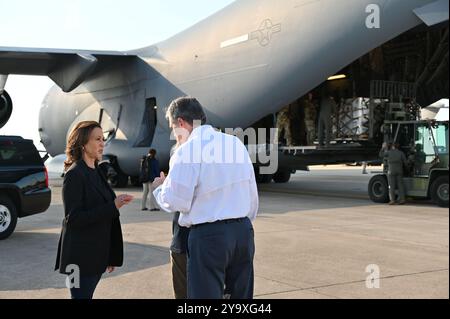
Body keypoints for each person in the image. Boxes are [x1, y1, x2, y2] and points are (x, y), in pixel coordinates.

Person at [152, 97, 258, 299]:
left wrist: (160, 188)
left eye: (173, 129)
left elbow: (177, 200)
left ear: (181, 123)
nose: (175, 136)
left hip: (209, 238)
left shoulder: (187, 150)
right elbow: (252, 194)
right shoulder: (235, 143)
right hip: (243, 232)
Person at [54, 121, 133, 299]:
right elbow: (74, 218)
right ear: (83, 143)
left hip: (96, 257)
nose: (102, 143)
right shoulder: (74, 175)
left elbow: (104, 215)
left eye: (103, 139)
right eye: (97, 139)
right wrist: (113, 206)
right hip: (79, 259)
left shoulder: (96, 171)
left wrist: (109, 256)